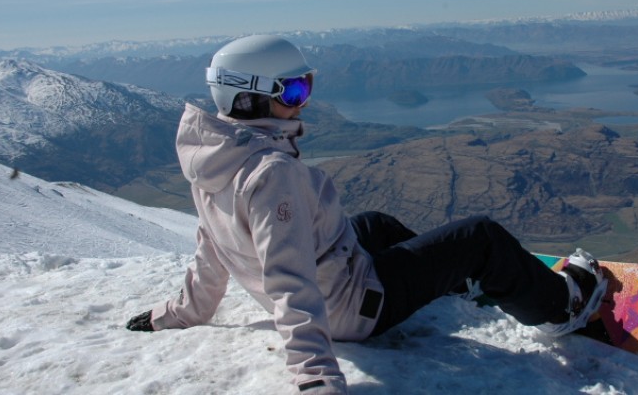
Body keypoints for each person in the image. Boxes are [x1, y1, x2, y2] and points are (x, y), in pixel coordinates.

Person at [126, 35, 607, 395]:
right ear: (249, 96)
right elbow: (289, 278)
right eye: (293, 92)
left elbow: (212, 248)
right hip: (354, 309)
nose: (304, 101)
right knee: (481, 236)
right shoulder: (273, 173)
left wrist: (179, 314)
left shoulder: (213, 158)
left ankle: (457, 283)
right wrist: (316, 376)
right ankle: (563, 306)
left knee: (374, 223)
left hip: (336, 284)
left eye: (306, 86)